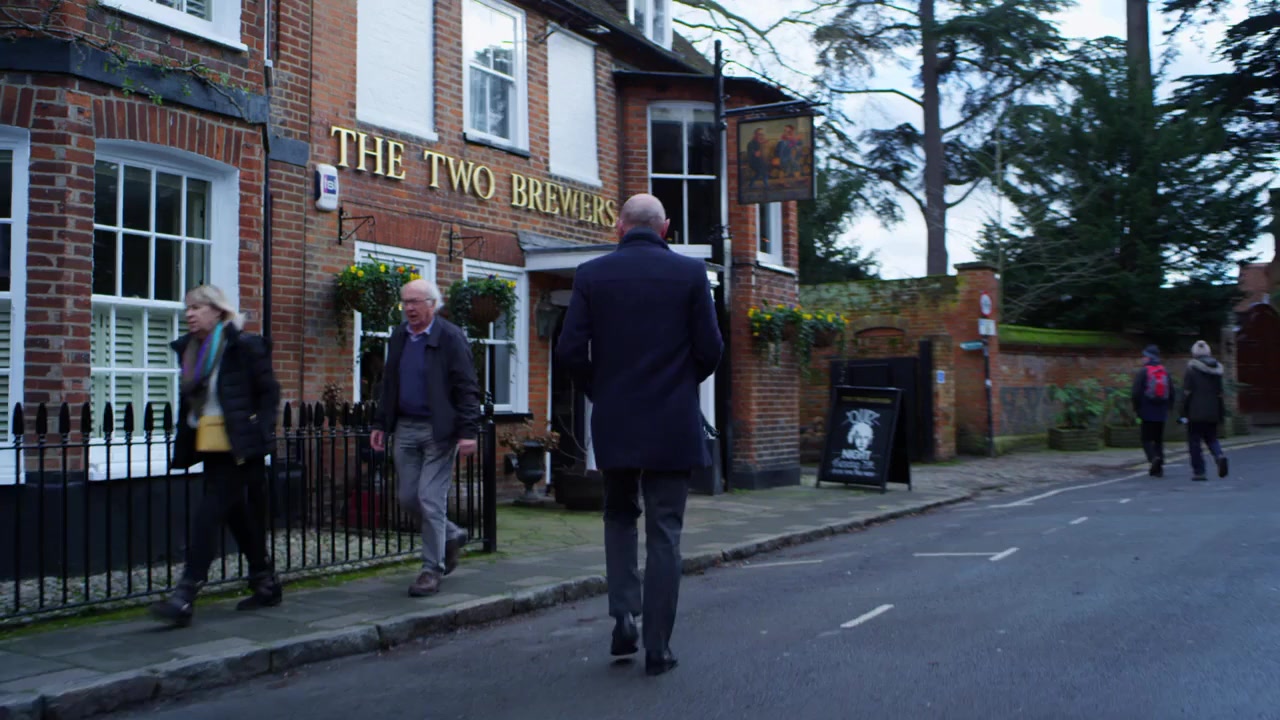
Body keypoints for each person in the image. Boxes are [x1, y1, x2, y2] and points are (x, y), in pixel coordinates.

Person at [556, 193, 724, 677]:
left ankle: (624, 617)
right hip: (672, 421)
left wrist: (602, 389)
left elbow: (569, 350)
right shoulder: (691, 273)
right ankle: (658, 647)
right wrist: (680, 385)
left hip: (617, 419)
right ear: (665, 227)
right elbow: (711, 349)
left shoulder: (591, 274)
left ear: (619, 227)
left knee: (619, 516)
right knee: (665, 531)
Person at [151, 285, 283, 626]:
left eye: (197, 307)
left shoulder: (244, 346)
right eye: (188, 308)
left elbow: (269, 394)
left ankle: (185, 594)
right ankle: (265, 581)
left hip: (239, 446)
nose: (189, 314)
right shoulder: (191, 349)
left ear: (218, 311)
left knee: (208, 514)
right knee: (236, 513)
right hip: (209, 442)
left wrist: (259, 430)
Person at [371, 278, 480, 597]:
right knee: (408, 497)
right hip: (405, 427)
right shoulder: (399, 336)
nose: (409, 308)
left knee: (430, 499)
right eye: (405, 302)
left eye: (415, 302)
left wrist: (468, 431)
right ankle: (451, 534)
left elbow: (466, 386)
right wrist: (380, 424)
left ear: (432, 305)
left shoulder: (450, 337)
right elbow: (389, 383)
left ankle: (431, 569)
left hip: (438, 430)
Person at [1180, 340, 1229, 482]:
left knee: (1194, 442)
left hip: (1194, 413)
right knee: (1212, 438)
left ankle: (1199, 472)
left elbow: (1187, 393)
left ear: (1194, 353)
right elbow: (1220, 394)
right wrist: (1221, 414)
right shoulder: (1217, 371)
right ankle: (1219, 455)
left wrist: (1182, 413)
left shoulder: (1191, 369)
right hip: (1213, 412)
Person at [1131, 344, 1173, 477]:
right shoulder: (1164, 371)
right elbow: (1172, 392)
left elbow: (1136, 392)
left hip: (1147, 411)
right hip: (1161, 412)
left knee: (1146, 439)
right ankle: (1159, 468)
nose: (1142, 358)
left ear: (1148, 357)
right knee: (1158, 439)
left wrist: (1136, 408)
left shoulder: (1143, 372)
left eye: (1144, 356)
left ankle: (1153, 459)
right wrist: (1168, 408)